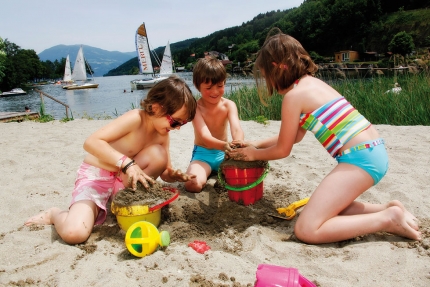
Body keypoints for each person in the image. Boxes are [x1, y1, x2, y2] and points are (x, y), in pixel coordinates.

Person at [227, 28, 421, 244]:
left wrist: (254, 155)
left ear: (276, 67)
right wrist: (255, 144)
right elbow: (295, 136)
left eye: (265, 75)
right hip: (372, 151)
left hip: (359, 158)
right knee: (326, 206)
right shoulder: (312, 83)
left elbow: (283, 149)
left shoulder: (293, 96)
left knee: (307, 229)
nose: (267, 81)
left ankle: (387, 219)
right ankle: (387, 208)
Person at [25, 75, 198, 244]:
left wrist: (173, 174)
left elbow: (164, 172)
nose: (177, 129)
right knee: (74, 234)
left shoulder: (162, 134)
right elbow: (91, 142)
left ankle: (119, 203)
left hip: (122, 185)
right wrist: (127, 163)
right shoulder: (135, 118)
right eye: (175, 122)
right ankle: (54, 214)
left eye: (181, 124)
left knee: (159, 154)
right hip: (96, 178)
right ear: (157, 107)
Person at [184, 57, 244, 193]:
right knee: (192, 184)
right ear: (197, 85)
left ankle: (220, 173)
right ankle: (208, 172)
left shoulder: (229, 105)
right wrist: (223, 145)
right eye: (208, 87)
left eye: (220, 86)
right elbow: (205, 136)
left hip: (225, 154)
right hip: (202, 155)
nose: (215, 92)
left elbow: (236, 128)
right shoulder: (196, 107)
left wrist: (238, 142)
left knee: (240, 180)